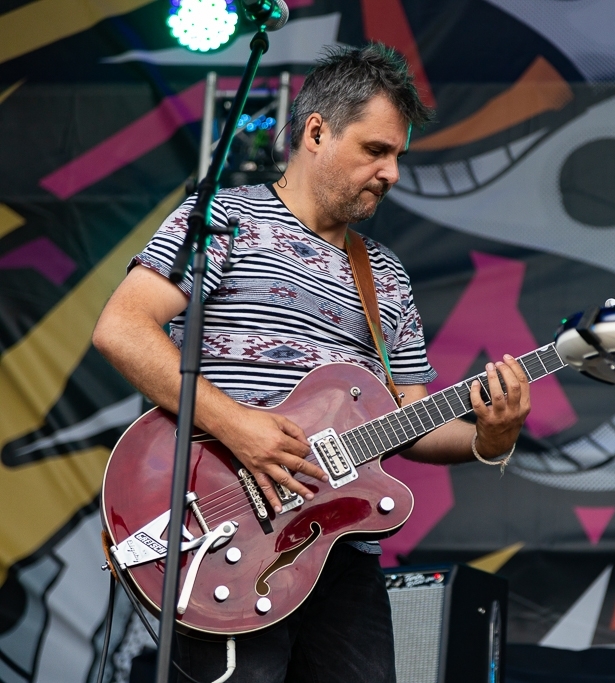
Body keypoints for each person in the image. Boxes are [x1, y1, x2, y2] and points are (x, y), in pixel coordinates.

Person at [92, 43, 531, 683]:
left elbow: (410, 420)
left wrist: (491, 440)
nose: (391, 173)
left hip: (338, 545)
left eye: (398, 156)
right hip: (222, 532)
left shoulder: (385, 275)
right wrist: (237, 424)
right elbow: (122, 329)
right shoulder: (225, 220)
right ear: (317, 132)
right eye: (375, 150)